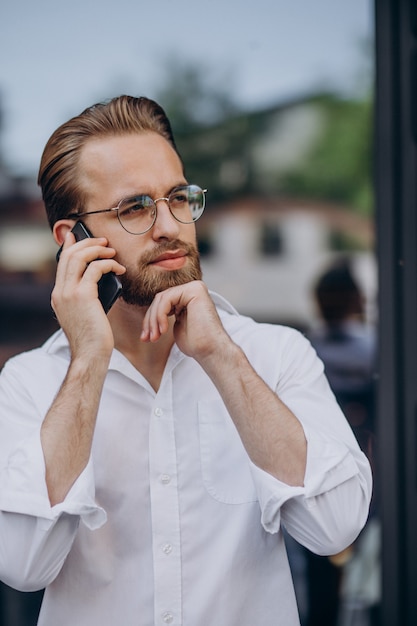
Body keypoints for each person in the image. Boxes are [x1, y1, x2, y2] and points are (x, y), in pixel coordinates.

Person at [0, 96, 372, 626]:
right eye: (134, 208)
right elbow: (23, 565)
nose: (169, 226)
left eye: (177, 198)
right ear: (74, 241)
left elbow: (334, 527)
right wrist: (87, 362)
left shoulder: (274, 354)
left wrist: (221, 355)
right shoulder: (29, 383)